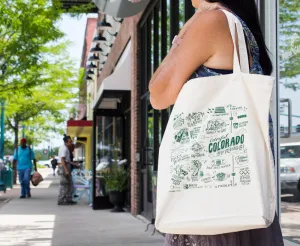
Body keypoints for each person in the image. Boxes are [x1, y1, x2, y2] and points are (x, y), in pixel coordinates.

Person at [149, 0, 283, 245]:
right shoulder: (239, 27)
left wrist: (182, 37)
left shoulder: (211, 21)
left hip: (211, 202)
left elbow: (158, 95)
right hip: (245, 198)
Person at [57, 134, 76, 205]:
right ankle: (61, 200)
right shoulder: (64, 149)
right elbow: (62, 160)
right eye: (70, 142)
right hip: (64, 167)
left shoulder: (66, 148)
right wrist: (66, 170)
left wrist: (74, 164)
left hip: (66, 166)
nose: (71, 143)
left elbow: (67, 160)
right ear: (66, 142)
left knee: (70, 184)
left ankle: (69, 199)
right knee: (64, 184)